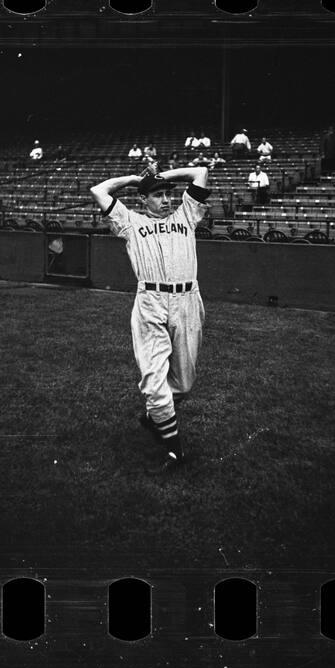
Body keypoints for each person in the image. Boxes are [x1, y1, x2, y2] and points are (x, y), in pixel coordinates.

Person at [90, 166, 210, 473]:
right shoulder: (131, 221)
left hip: (187, 300)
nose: (166, 199)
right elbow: (99, 191)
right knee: (155, 382)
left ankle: (154, 416)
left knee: (184, 383)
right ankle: (175, 451)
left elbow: (200, 172)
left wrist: (162, 176)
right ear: (143, 200)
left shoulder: (186, 215)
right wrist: (133, 180)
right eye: (158, 195)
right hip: (150, 303)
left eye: (168, 193)